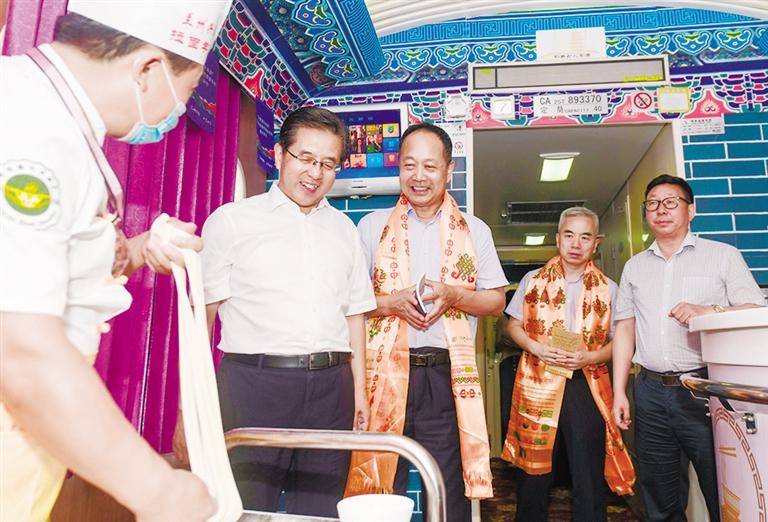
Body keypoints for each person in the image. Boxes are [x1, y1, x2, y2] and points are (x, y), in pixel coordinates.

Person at [0, 2, 232, 521]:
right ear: (147, 70)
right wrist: (160, 491)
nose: (177, 113)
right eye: (187, 92)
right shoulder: (31, 130)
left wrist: (141, 247)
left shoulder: (57, 120)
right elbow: (21, 352)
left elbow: (55, 269)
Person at [197, 106, 376, 518]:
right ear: (280, 154)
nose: (315, 173)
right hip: (254, 385)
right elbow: (201, 316)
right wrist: (194, 402)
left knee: (320, 509)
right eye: (306, 158)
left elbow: (355, 314)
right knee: (246, 506)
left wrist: (359, 392)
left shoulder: (344, 230)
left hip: (332, 388)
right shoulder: (232, 222)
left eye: (328, 164)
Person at [347, 122, 508, 522]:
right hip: (383, 375)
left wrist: (454, 295)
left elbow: (496, 301)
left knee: (447, 489)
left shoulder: (474, 230)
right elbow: (349, 304)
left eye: (430, 166)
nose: (418, 176)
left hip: (444, 377)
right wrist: (390, 303)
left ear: (449, 170)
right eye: (409, 165)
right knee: (380, 488)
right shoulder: (371, 226)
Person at [611, 174, 765, 522]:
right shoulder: (635, 267)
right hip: (650, 390)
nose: (660, 210)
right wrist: (620, 391)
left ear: (691, 210)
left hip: (704, 389)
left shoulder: (722, 256)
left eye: (671, 202)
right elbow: (625, 328)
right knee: (659, 494)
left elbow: (755, 309)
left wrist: (708, 310)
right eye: (652, 204)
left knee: (722, 489)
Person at [501, 207, 636, 522]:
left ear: (595, 244)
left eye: (585, 237)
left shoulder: (609, 288)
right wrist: (535, 347)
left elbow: (620, 342)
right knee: (533, 472)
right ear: (557, 238)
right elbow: (513, 326)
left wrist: (590, 357)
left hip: (585, 383)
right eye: (569, 235)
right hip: (538, 380)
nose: (576, 244)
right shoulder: (532, 281)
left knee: (587, 470)